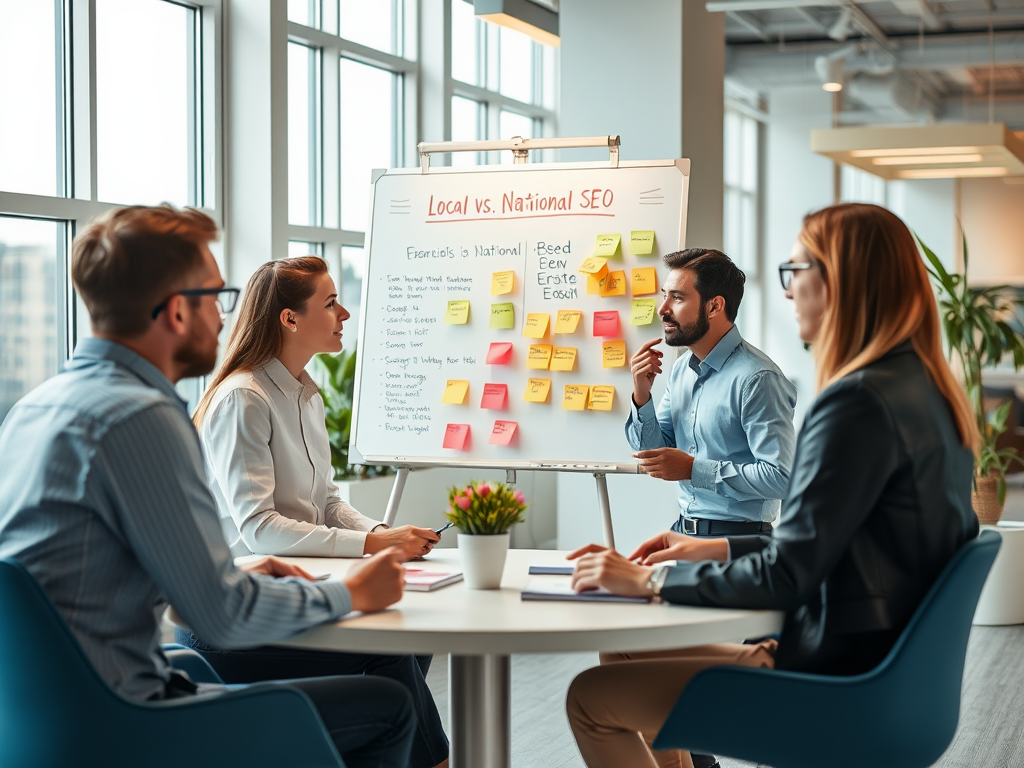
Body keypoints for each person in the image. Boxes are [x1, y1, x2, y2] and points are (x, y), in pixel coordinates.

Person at [566, 203, 981, 768]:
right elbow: (835, 547)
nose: (787, 293)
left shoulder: (856, 403)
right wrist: (709, 549)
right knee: (619, 646)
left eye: (795, 272)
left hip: (832, 676)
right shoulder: (926, 393)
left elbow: (788, 573)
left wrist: (651, 584)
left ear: (838, 282)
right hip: (877, 664)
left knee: (589, 698)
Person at [0, 205, 416, 768]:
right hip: (120, 721)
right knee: (388, 705)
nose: (226, 317)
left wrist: (236, 568)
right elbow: (219, 615)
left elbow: (103, 573)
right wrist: (350, 594)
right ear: (176, 312)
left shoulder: (34, 409)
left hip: (37, 719)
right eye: (214, 296)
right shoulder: (139, 417)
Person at [180, 255, 448, 768]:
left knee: (411, 642)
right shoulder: (245, 398)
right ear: (289, 318)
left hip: (287, 591)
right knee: (392, 649)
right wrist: (373, 545)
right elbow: (259, 529)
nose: (344, 314)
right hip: (233, 619)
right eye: (330, 303)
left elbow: (325, 503)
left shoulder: (306, 395)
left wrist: (384, 533)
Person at [627, 248, 797, 541]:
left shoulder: (757, 379)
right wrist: (642, 396)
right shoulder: (681, 369)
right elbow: (652, 453)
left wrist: (694, 469)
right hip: (683, 532)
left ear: (714, 307)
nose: (662, 308)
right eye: (664, 295)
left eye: (677, 298)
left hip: (739, 544)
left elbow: (781, 478)